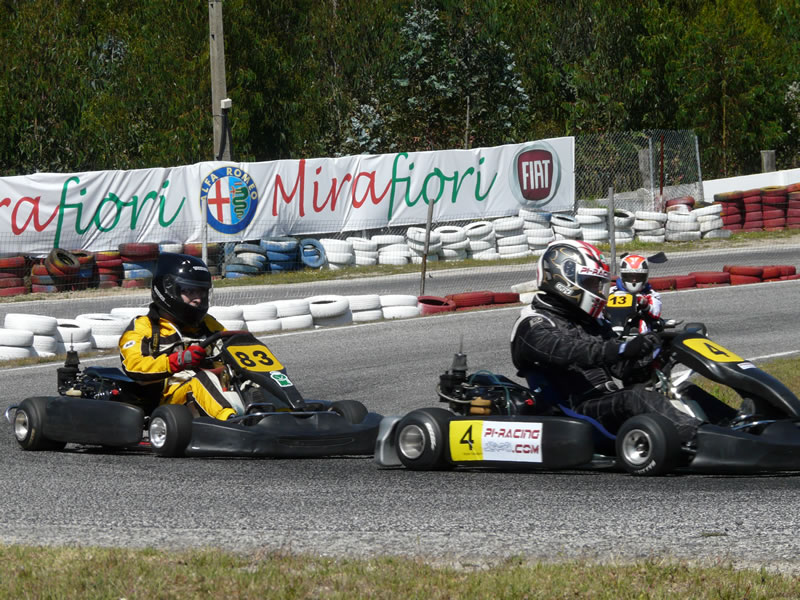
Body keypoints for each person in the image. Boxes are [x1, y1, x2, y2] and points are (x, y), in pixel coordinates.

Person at [510, 239, 712, 446]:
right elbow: (571, 352)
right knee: (635, 397)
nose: (598, 291)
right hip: (571, 412)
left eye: (598, 285)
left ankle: (735, 427)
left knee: (684, 389)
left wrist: (657, 354)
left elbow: (624, 371)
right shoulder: (534, 324)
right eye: (590, 284)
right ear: (565, 281)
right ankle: (707, 442)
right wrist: (623, 347)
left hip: (606, 402)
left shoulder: (588, 322)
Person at [118, 252, 237, 421]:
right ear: (168, 290)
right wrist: (178, 360)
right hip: (171, 400)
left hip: (216, 387)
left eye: (202, 292)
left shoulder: (207, 324)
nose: (198, 299)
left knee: (248, 379)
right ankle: (232, 423)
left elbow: (231, 347)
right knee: (201, 380)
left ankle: (279, 414)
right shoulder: (145, 326)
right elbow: (134, 366)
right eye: (190, 291)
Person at [609, 253, 662, 333]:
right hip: (613, 324)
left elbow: (656, 312)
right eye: (630, 276)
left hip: (639, 328)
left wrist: (645, 304)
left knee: (642, 322)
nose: (634, 280)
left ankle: (642, 340)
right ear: (623, 276)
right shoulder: (611, 291)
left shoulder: (650, 294)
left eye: (637, 277)